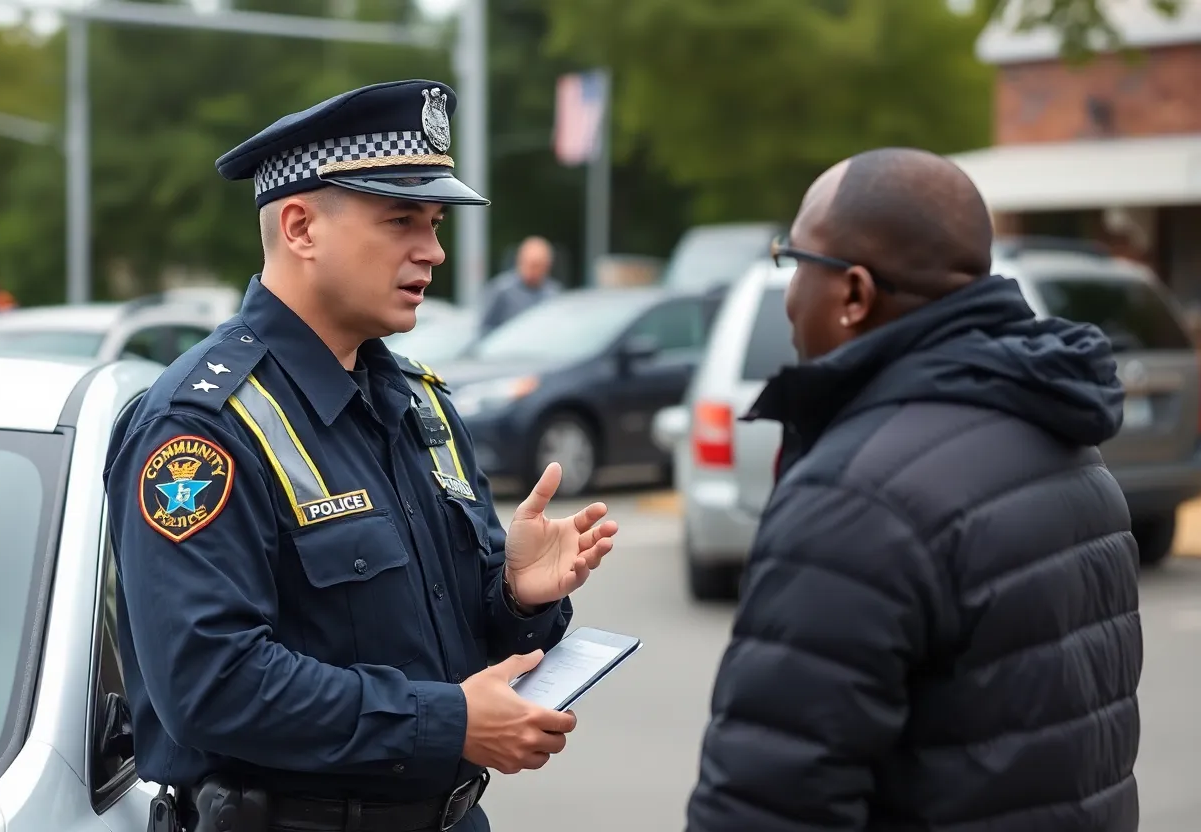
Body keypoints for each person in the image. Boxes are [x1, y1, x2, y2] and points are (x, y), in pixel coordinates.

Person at [102, 79, 619, 832]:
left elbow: (452, 640)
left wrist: (517, 596)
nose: (433, 251)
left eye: (434, 223)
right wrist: (445, 722)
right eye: (401, 219)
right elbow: (210, 684)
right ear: (301, 227)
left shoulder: (420, 402)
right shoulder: (199, 427)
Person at [685, 148, 1141, 832]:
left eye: (795, 262)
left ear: (854, 294)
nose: (789, 295)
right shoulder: (1070, 450)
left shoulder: (856, 500)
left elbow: (768, 806)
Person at [477, 236, 561, 335]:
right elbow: (484, 328)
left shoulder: (553, 293)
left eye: (540, 265)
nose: (535, 270)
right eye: (532, 264)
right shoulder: (502, 290)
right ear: (520, 261)